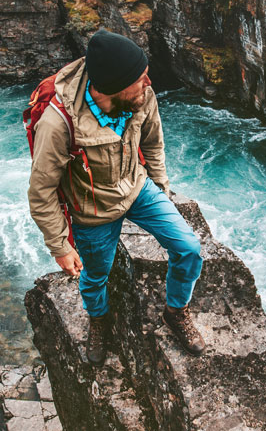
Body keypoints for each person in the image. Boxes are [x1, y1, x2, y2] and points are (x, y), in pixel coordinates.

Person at [27, 28, 207, 366]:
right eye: (140, 78)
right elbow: (41, 191)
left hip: (137, 189)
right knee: (95, 275)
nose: (149, 82)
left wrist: (161, 189)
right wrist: (61, 247)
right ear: (113, 86)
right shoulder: (58, 123)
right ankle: (99, 319)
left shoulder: (141, 97)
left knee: (189, 248)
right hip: (92, 211)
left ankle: (176, 311)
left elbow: (153, 144)